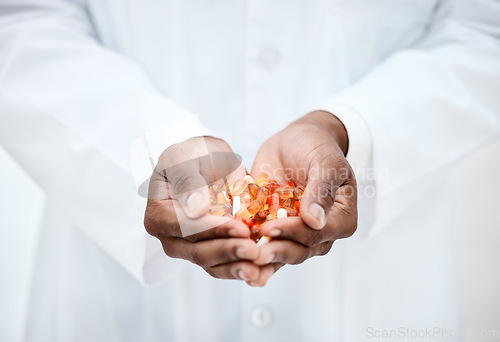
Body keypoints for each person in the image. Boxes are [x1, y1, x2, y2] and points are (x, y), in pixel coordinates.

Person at [0, 0, 499, 341]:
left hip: (380, 285)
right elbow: (23, 21)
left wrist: (349, 130)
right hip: (115, 293)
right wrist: (149, 140)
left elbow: (483, 29)